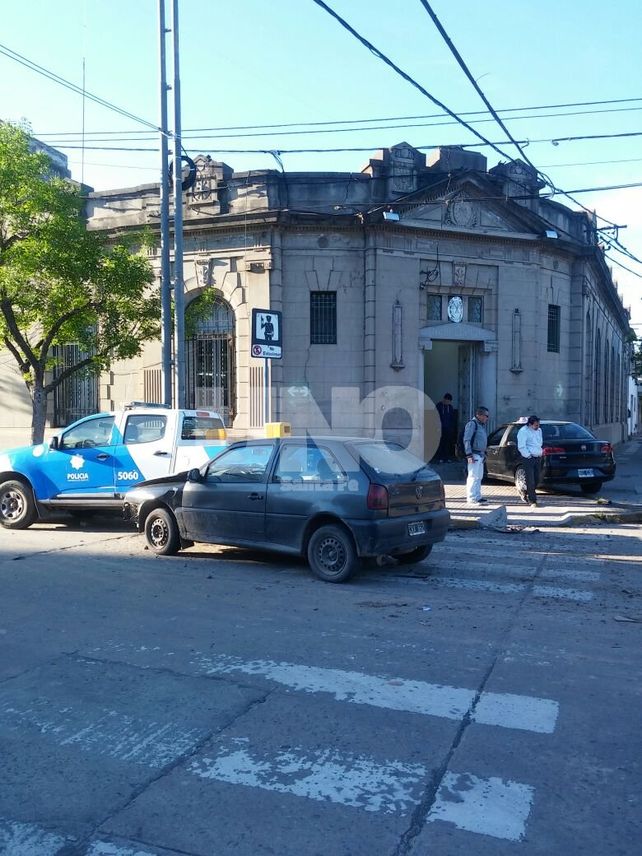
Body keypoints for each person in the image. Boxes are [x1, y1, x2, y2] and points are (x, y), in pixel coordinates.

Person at [464, 406, 490, 505]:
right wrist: (469, 455)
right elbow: (467, 440)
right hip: (474, 454)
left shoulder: (481, 425)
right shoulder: (472, 424)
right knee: (473, 476)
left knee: (479, 476)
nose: (487, 418)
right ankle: (471, 498)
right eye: (486, 416)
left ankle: (477, 496)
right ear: (479, 415)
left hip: (480, 454)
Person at [517, 414, 543, 506]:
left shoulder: (539, 430)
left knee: (537, 479)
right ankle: (532, 500)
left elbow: (539, 443)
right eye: (536, 425)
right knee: (530, 479)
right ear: (530, 424)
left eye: (538, 425)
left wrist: (540, 453)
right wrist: (528, 456)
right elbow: (521, 446)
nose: (537, 427)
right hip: (528, 458)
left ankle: (524, 491)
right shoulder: (523, 431)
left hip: (538, 456)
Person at [435, 393, 457, 462]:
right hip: (440, 428)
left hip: (448, 428)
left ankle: (447, 457)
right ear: (444, 399)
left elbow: (452, 418)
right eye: (447, 401)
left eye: (449, 401)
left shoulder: (450, 407)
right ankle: (440, 457)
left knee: (447, 443)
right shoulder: (438, 406)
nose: (448, 402)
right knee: (440, 443)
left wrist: (452, 428)